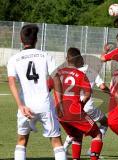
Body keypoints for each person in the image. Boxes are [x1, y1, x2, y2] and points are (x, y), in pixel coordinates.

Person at [7, 24, 67, 160]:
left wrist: (20, 105)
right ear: (36, 39)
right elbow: (56, 79)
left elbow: (11, 82)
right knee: (56, 141)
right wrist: (60, 103)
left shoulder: (14, 59)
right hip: (45, 104)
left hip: (26, 106)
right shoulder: (46, 56)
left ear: (21, 40)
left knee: (22, 140)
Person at [53, 48, 103, 160]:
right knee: (97, 134)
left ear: (66, 59)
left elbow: (48, 87)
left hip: (60, 114)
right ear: (79, 59)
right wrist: (81, 104)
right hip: (75, 111)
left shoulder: (58, 73)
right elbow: (88, 93)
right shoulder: (80, 74)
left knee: (76, 136)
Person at [63, 50, 109, 155]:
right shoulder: (91, 70)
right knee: (105, 122)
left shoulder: (70, 72)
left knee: (76, 128)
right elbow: (102, 87)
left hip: (72, 106)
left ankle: (64, 148)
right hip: (87, 105)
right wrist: (110, 92)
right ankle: (91, 150)